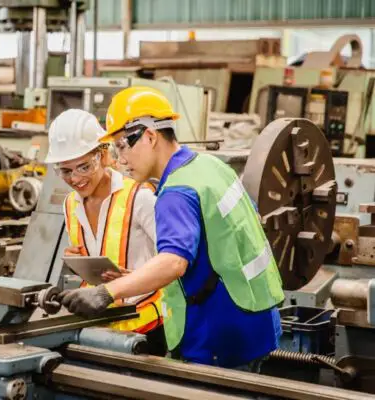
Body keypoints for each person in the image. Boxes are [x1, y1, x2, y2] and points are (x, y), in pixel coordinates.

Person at [56, 88, 284, 371]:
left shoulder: (176, 191)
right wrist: (136, 277)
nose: (121, 160)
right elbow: (220, 239)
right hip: (255, 317)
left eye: (123, 146)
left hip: (217, 332)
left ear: (150, 136)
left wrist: (106, 293)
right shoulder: (209, 166)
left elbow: (174, 262)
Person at [46, 109, 165, 355]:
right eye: (66, 171)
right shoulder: (70, 204)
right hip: (98, 325)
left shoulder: (139, 198)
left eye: (84, 167)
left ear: (103, 156)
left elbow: (175, 263)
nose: (76, 178)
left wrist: (134, 277)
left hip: (145, 327)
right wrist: (77, 261)